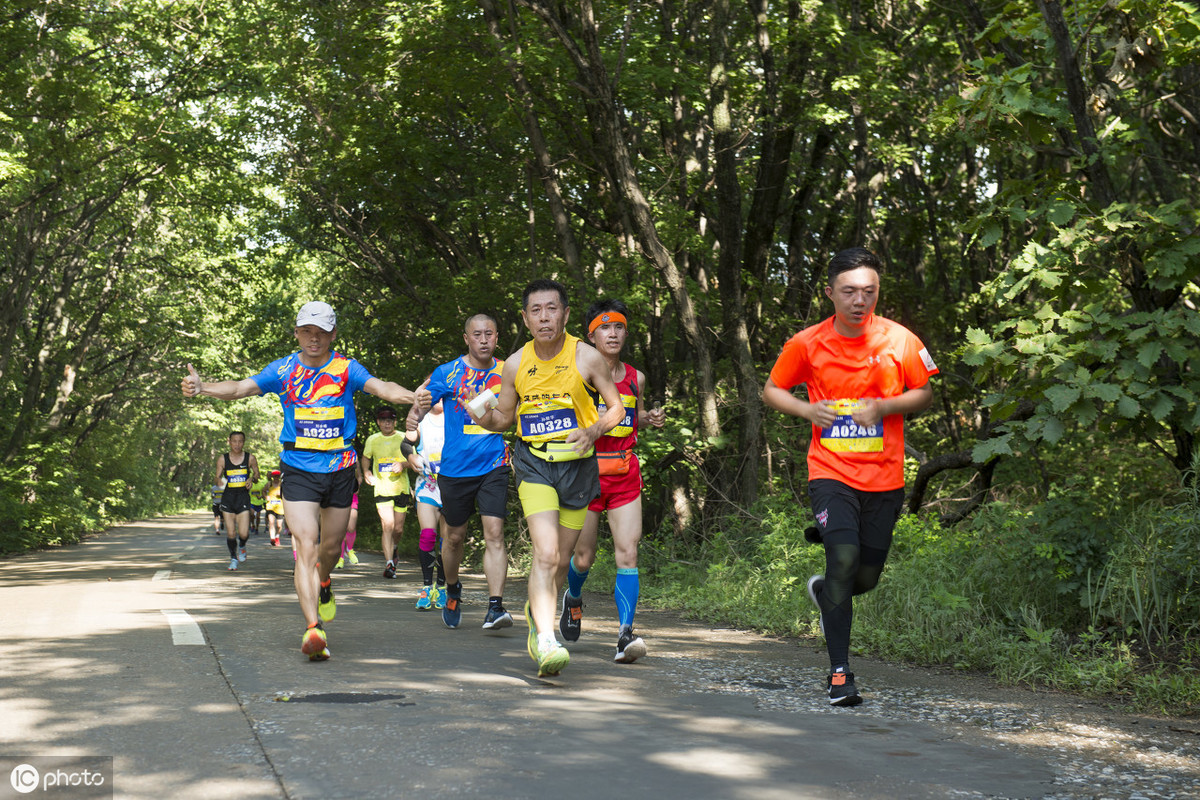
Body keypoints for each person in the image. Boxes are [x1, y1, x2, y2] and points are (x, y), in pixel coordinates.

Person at [182, 300, 425, 662]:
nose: (314, 338)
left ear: (333, 334)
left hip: (340, 469)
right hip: (298, 469)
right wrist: (203, 388)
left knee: (329, 549)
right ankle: (313, 628)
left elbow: (382, 388)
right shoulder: (283, 370)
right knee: (305, 543)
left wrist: (414, 396)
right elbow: (239, 388)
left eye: (322, 332)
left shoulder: (346, 368)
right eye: (307, 331)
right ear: (297, 333)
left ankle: (324, 583)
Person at [762, 247, 938, 706]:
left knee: (864, 578)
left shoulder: (900, 340)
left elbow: (925, 393)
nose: (860, 301)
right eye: (850, 292)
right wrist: (806, 409)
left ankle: (824, 593)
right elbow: (772, 389)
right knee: (841, 560)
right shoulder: (807, 343)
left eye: (869, 292)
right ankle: (840, 674)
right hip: (830, 472)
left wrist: (884, 406)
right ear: (830, 293)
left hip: (885, 478)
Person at [462, 280, 623, 677]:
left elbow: (616, 409)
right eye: (536, 310)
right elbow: (504, 418)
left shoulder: (587, 358)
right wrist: (485, 419)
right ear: (525, 318)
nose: (544, 317)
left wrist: (592, 432)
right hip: (534, 464)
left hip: (578, 467)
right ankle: (546, 640)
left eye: (552, 309)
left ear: (565, 314)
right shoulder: (515, 363)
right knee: (547, 554)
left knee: (561, 560)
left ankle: (537, 618)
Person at [558, 300, 665, 663]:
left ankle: (624, 634)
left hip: (624, 475)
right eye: (605, 328)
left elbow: (628, 419)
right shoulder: (576, 375)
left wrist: (646, 419)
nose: (613, 333)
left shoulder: (637, 377)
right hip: (585, 475)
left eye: (619, 327)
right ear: (591, 336)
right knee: (584, 558)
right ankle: (572, 599)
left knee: (628, 553)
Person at [408, 313, 514, 632]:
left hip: (494, 464)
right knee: (454, 537)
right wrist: (414, 416)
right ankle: (452, 589)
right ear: (466, 338)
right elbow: (422, 401)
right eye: (477, 334)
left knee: (494, 533)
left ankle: (495, 607)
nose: (484, 340)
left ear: (497, 337)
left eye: (489, 334)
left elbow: (519, 409)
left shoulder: (508, 371)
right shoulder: (448, 372)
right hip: (455, 469)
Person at [404, 400, 447, 609]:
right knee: (428, 534)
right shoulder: (420, 419)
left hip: (452, 485)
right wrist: (410, 455)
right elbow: (405, 443)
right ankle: (426, 586)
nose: (438, 400)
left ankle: (442, 587)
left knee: (449, 540)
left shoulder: (456, 416)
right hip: (427, 485)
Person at [363, 406, 413, 579]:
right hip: (382, 488)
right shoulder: (372, 439)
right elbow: (366, 458)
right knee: (387, 525)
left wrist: (403, 464)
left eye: (390, 420)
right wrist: (366, 472)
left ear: (395, 422)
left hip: (401, 488)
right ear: (378, 422)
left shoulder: (403, 438)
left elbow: (413, 460)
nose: (386, 423)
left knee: (398, 529)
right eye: (383, 420)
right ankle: (389, 564)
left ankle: (394, 548)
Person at [215, 431, 260, 571]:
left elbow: (257, 473)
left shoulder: (250, 457)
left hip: (243, 498)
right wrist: (220, 482)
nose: (237, 444)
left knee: (244, 533)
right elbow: (217, 477)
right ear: (229, 441)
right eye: (234, 441)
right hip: (228, 499)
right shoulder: (223, 459)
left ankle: (242, 546)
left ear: (244, 442)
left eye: (240, 441)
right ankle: (233, 558)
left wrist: (252, 479)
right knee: (230, 533)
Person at [264, 470, 285, 546]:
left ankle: (277, 536)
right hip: (270, 506)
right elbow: (263, 491)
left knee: (279, 526)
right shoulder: (269, 484)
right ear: (272, 477)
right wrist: (266, 496)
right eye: (274, 476)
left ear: (279, 476)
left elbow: (288, 493)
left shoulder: (282, 484)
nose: (276, 478)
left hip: (280, 507)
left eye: (277, 476)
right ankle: (272, 538)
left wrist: (282, 494)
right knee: (271, 522)